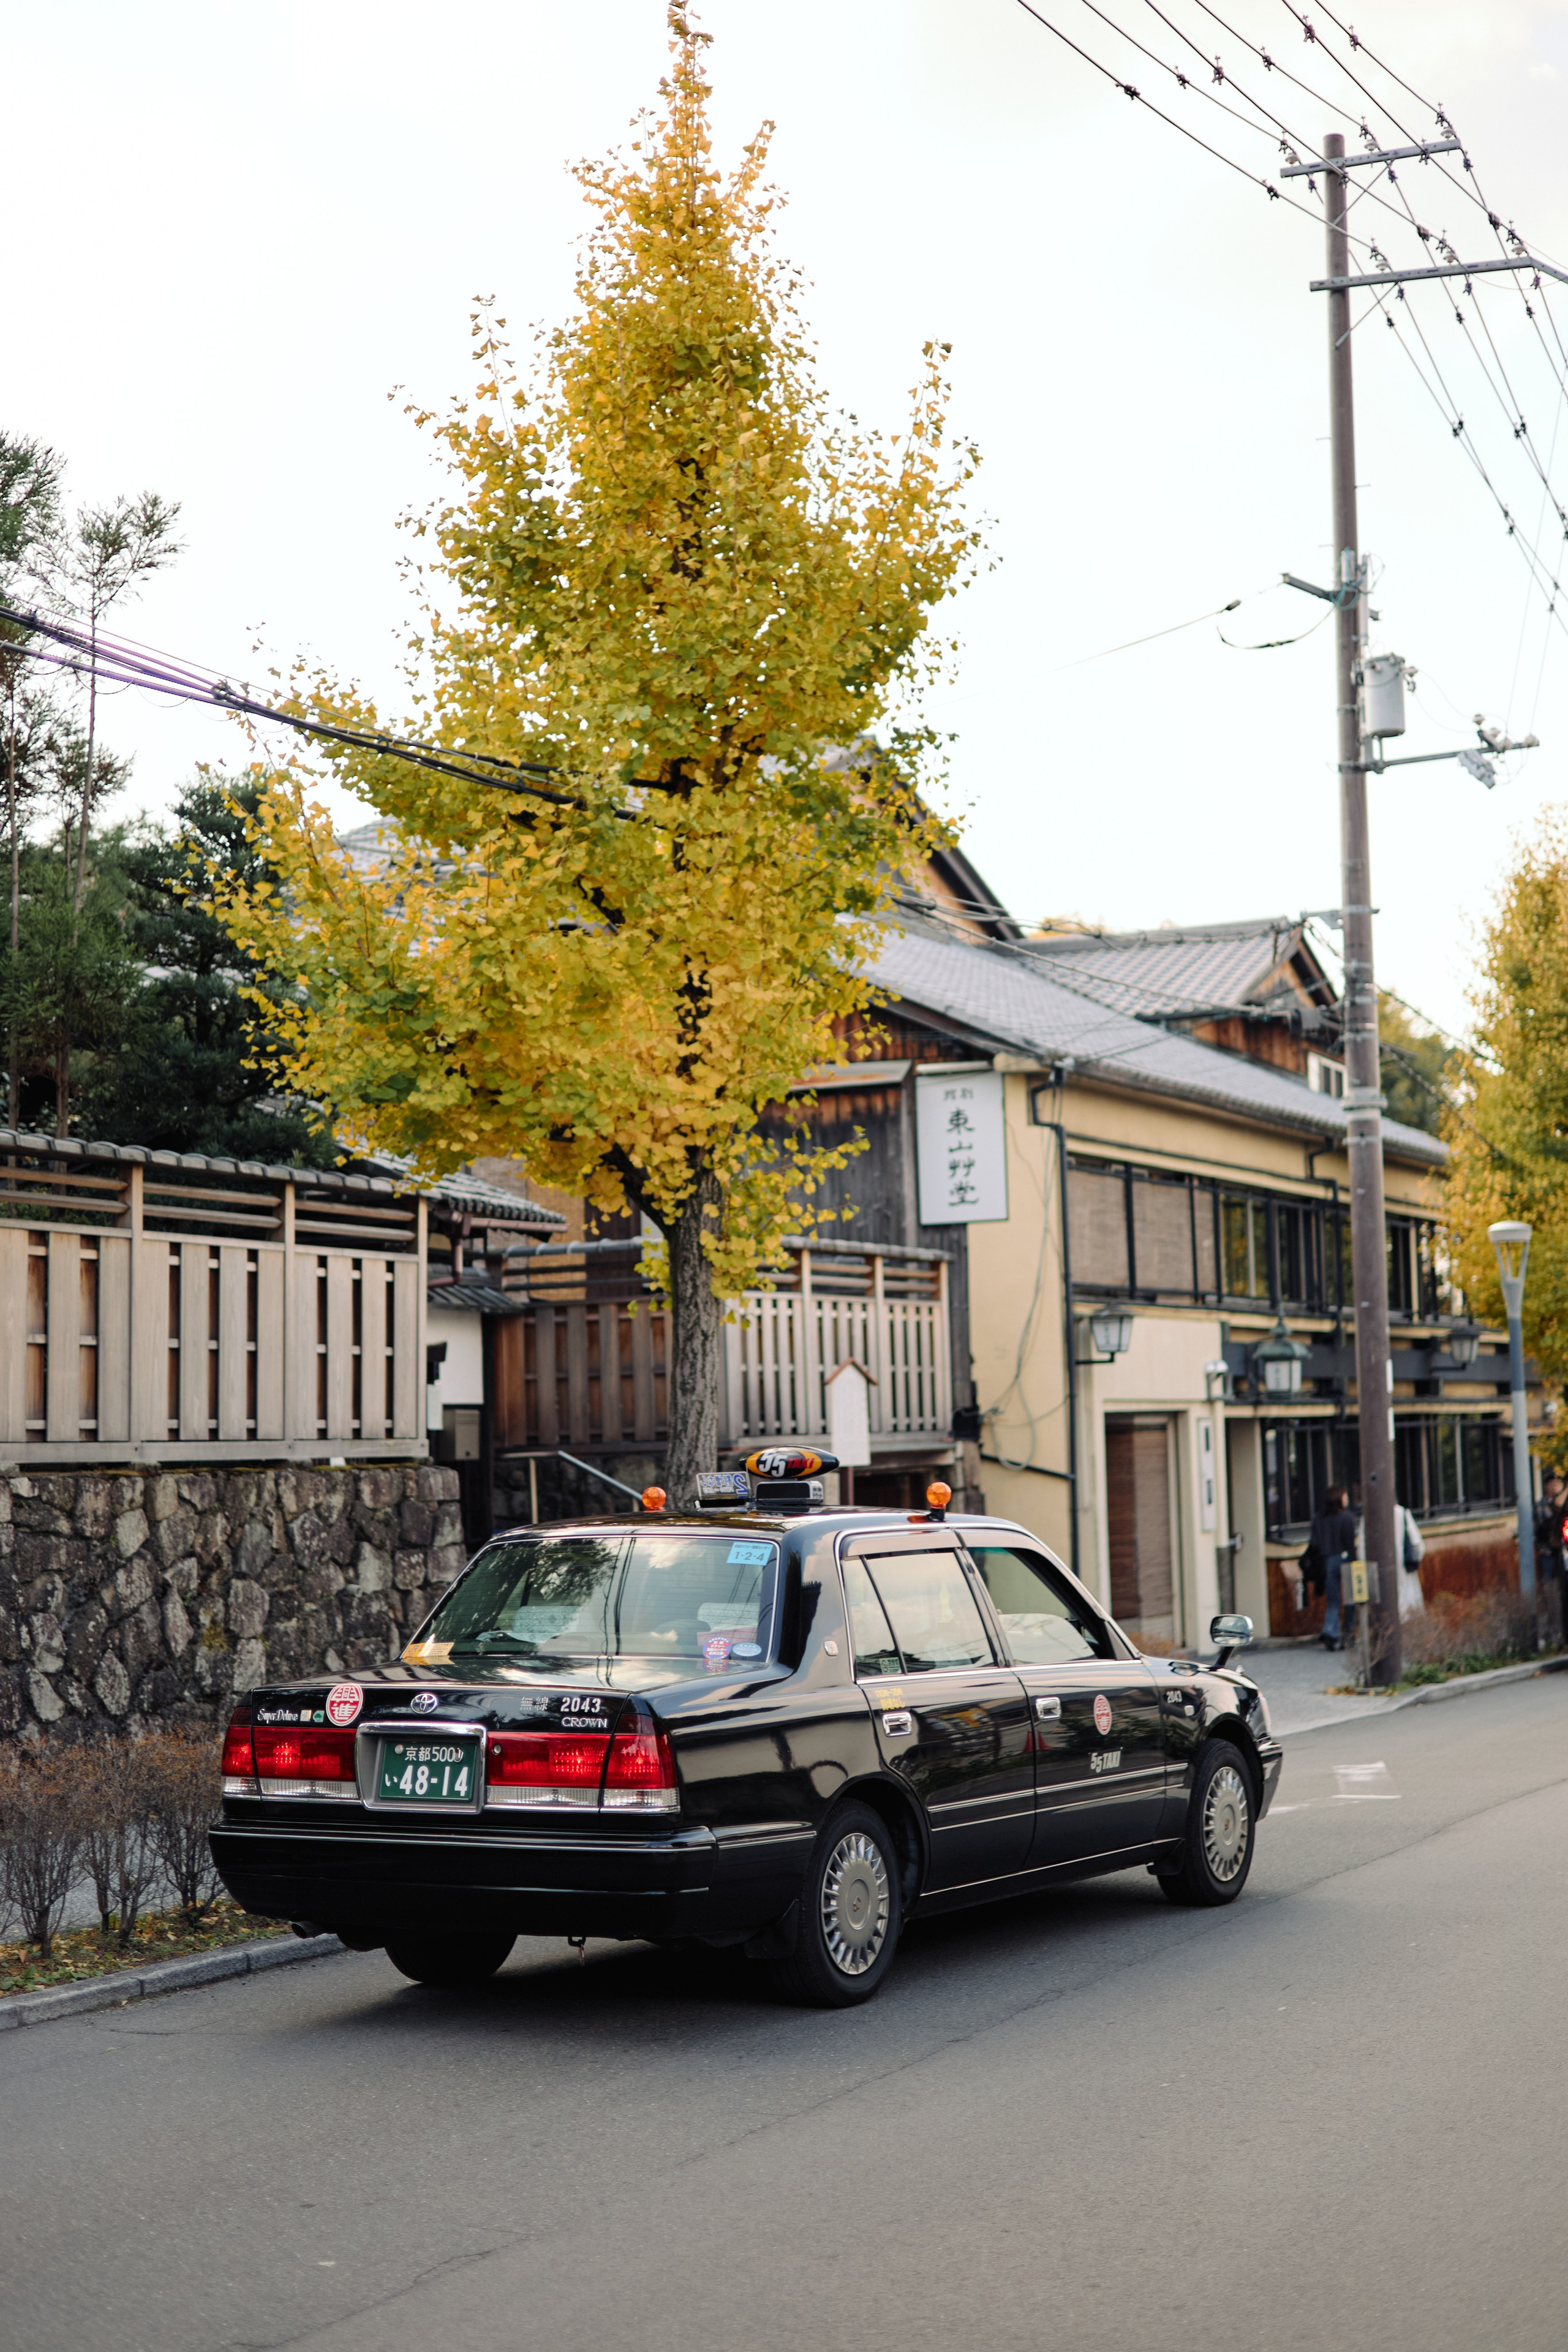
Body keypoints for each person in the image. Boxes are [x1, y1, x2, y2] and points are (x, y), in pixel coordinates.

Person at [1312, 1485, 1358, 1651]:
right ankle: (1348, 1634)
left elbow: (1315, 1543)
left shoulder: (1318, 1518)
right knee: (1350, 1600)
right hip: (1346, 1559)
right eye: (1345, 1496)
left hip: (1328, 1561)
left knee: (1333, 1601)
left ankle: (1330, 1631)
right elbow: (1350, 1543)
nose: (1347, 1499)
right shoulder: (1347, 1518)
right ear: (1339, 1499)